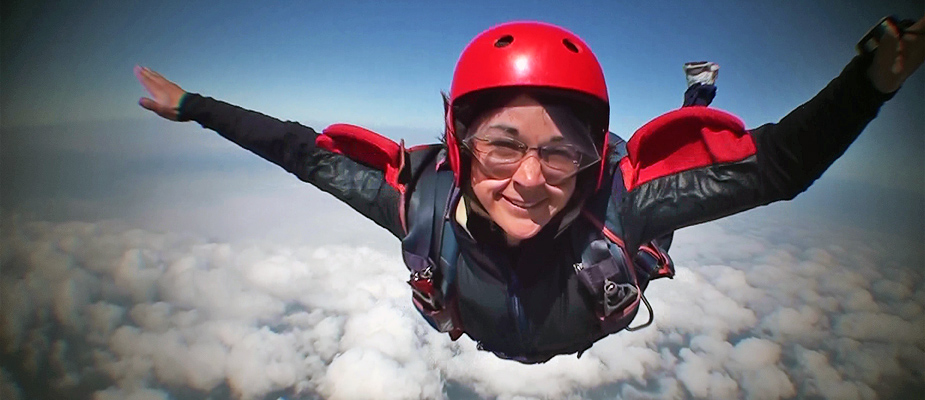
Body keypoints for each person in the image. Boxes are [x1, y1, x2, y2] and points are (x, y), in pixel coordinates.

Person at [135, 18, 924, 364]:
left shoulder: (625, 205)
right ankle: (690, 103)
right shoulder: (416, 207)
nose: (530, 179)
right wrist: (194, 106)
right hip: (520, 329)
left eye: (563, 153)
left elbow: (773, 169)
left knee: (671, 175)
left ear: (591, 156)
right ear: (458, 143)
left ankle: (695, 102)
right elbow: (302, 154)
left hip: (607, 271)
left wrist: (869, 81)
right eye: (501, 145)